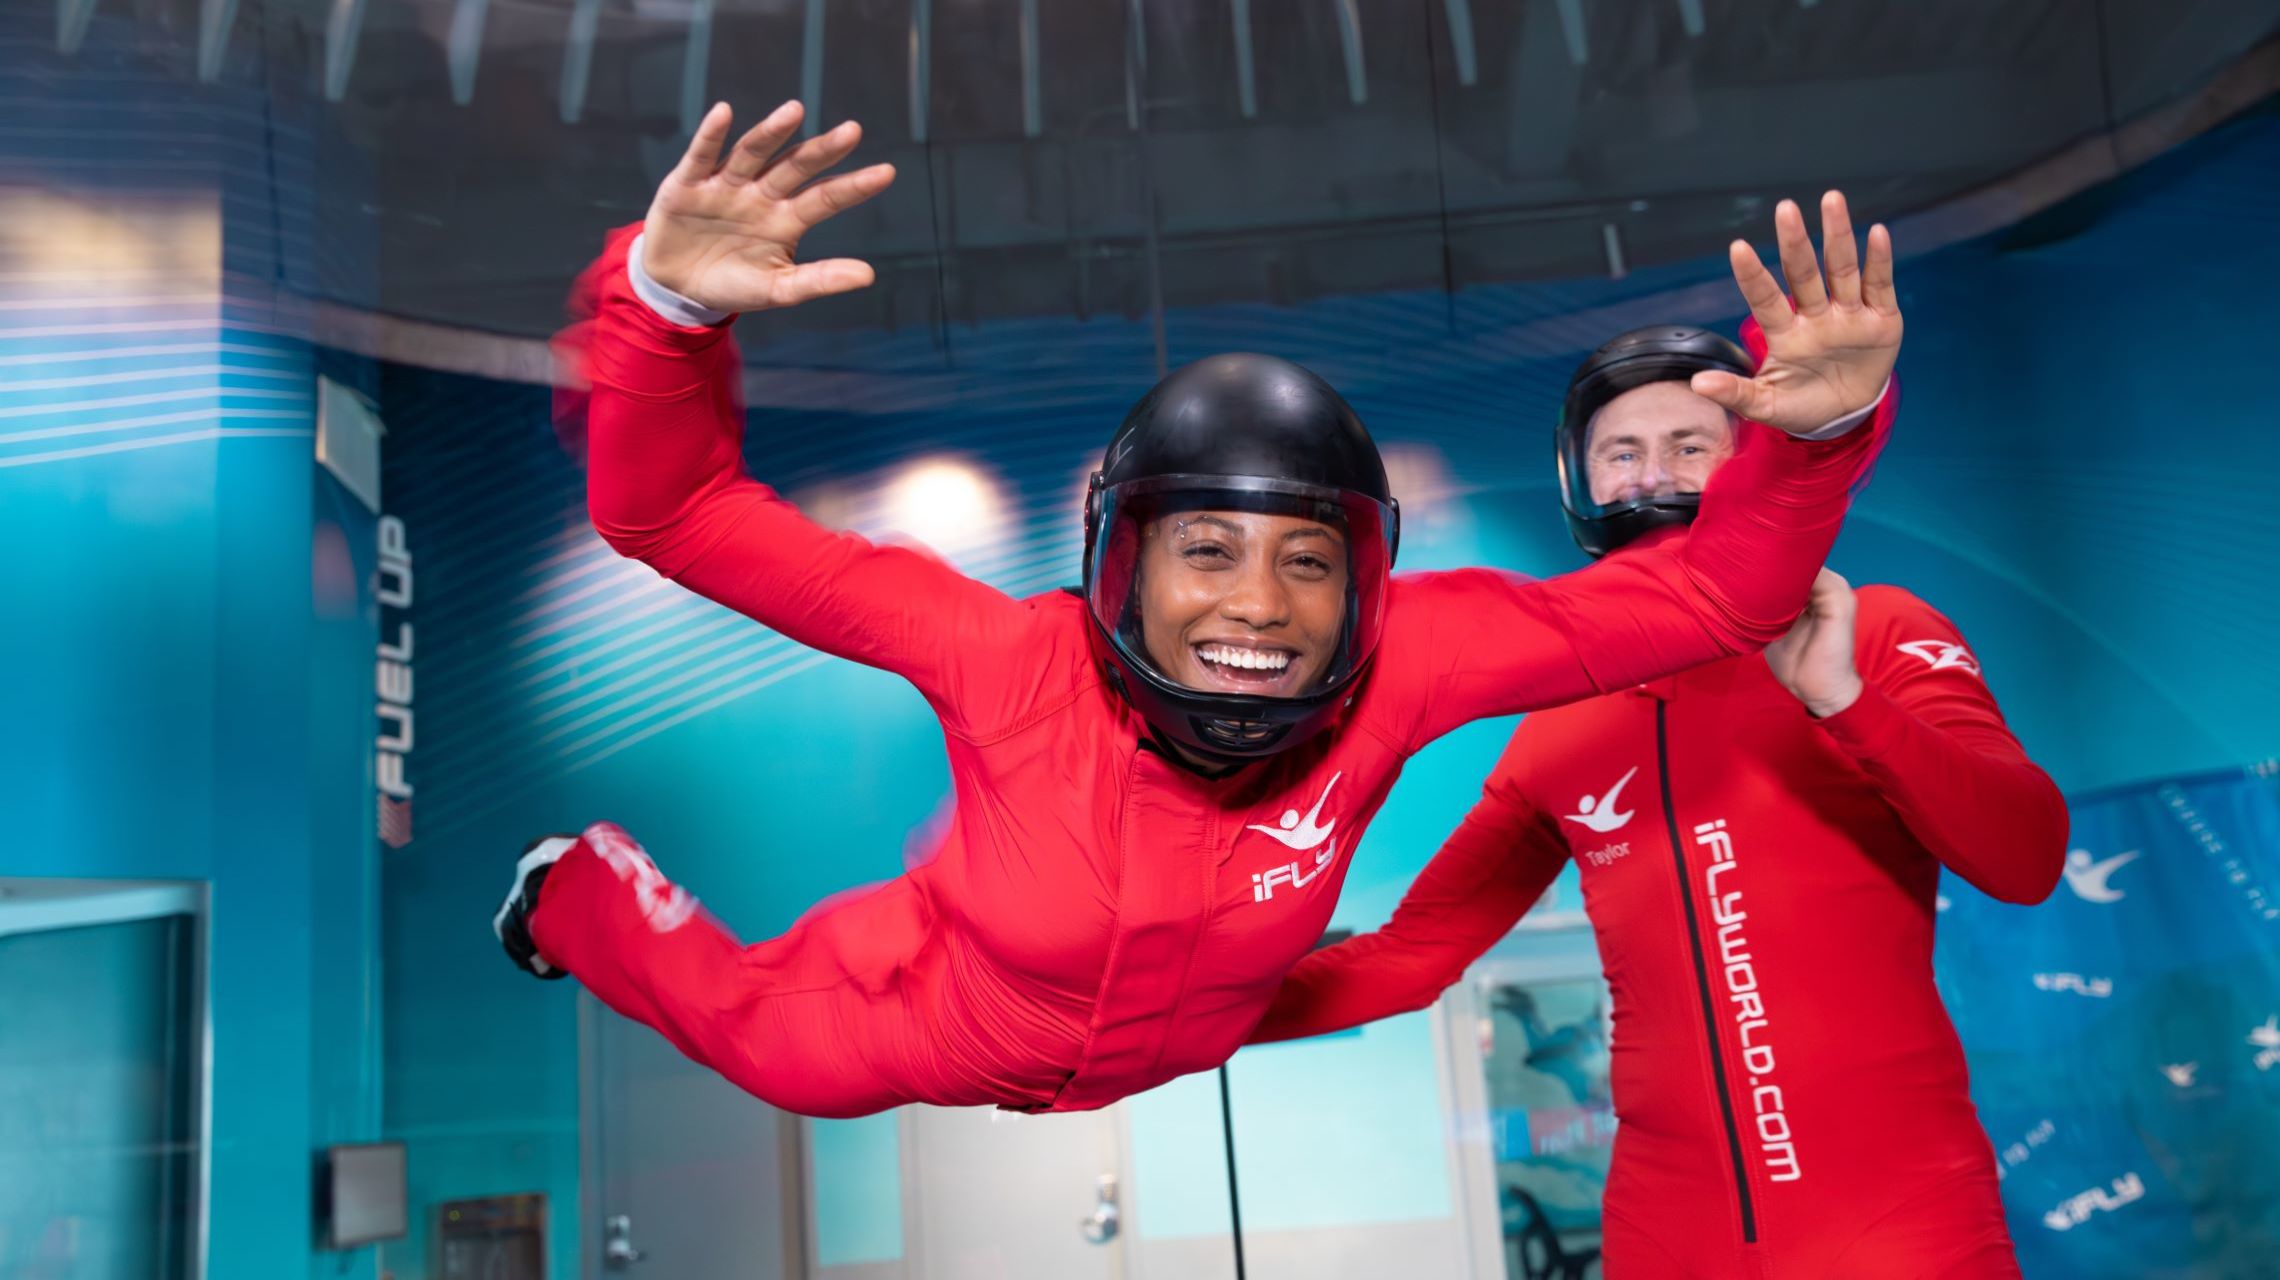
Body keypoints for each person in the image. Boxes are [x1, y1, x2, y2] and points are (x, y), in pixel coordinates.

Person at [493, 98, 1903, 1120]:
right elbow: (673, 515)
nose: (1259, 603)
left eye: (1308, 561)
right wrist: (663, 310)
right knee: (763, 1045)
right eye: (1208, 550)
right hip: (948, 1009)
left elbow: (1718, 594)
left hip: (1184, 1033)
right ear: (1122, 562)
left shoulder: (1413, 659)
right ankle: (571, 887)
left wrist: (1824, 430)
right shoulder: (1000, 656)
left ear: (1364, 583)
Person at [1248, 322, 2067, 1277]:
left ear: (1751, 463)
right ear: (1581, 481)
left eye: (1690, 445)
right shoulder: (1559, 718)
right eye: (1622, 452)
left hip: (1900, 1217)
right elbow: (1408, 958)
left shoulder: (1875, 629)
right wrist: (1159, 1028)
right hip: (1669, 1229)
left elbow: (2026, 857)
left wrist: (1845, 700)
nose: (1652, 475)